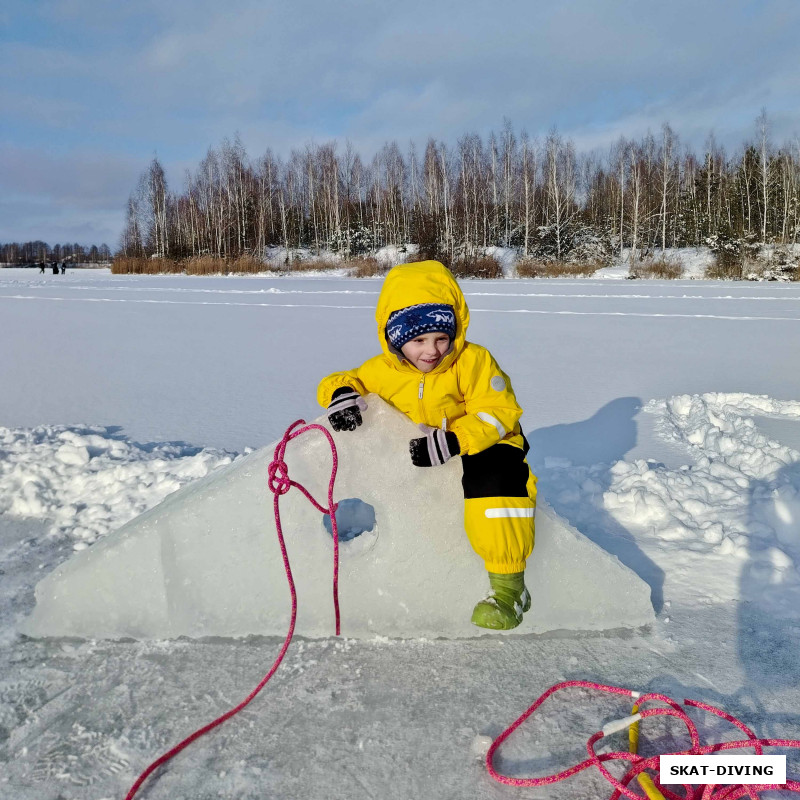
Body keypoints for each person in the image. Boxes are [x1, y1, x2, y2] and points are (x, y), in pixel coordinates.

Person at [317, 260, 537, 630]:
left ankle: (510, 589)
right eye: (418, 340)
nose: (431, 351)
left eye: (441, 337)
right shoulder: (382, 370)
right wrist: (340, 394)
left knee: (495, 476)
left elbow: (499, 411)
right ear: (395, 338)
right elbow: (343, 379)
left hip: (485, 445)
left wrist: (455, 440)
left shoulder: (473, 361)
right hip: (423, 455)